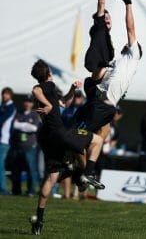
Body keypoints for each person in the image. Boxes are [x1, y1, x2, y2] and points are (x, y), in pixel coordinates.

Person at [29, 59, 105, 235]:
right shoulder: (47, 85)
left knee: (51, 178)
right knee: (97, 141)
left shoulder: (50, 91)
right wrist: (47, 105)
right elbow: (36, 90)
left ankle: (39, 221)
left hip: (47, 139)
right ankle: (87, 174)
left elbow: (63, 103)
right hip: (59, 133)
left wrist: (72, 90)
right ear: (48, 73)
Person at [72, 0, 142, 136]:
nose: (108, 18)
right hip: (95, 76)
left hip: (99, 95)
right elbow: (101, 1)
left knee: (86, 132)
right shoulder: (100, 27)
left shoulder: (118, 53)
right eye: (106, 16)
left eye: (109, 17)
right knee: (81, 131)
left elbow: (131, 32)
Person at [11, 95, 41, 196]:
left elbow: (34, 128)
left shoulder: (35, 114)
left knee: (30, 169)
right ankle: (16, 190)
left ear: (32, 104)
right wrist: (25, 125)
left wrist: (21, 125)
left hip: (30, 147)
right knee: (16, 170)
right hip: (17, 146)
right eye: (26, 101)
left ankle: (31, 190)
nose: (27, 103)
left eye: (30, 101)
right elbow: (13, 125)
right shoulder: (18, 113)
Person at [0, 87, 16, 195]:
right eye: (3, 94)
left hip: (4, 140)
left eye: (6, 94)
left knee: (0, 165)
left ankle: (3, 189)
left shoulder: (10, 107)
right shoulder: (3, 106)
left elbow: (1, 120)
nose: (4, 96)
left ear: (10, 95)